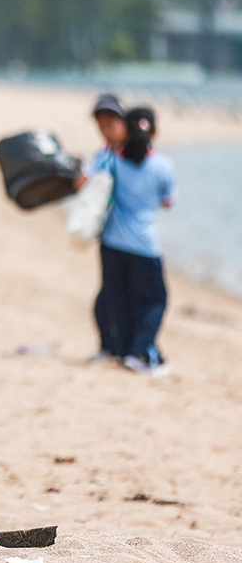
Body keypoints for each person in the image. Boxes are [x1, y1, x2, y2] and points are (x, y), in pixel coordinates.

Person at [94, 107, 176, 377]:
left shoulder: (112, 160)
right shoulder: (163, 165)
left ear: (126, 131)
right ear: (156, 131)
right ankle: (139, 352)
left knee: (118, 299)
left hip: (112, 242)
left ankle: (124, 350)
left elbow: (91, 183)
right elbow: (168, 202)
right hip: (144, 244)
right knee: (155, 301)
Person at [78, 95, 130, 363]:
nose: (106, 130)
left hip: (132, 241)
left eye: (111, 123)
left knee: (121, 298)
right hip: (109, 237)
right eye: (101, 125)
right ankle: (112, 349)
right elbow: (85, 182)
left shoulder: (134, 154)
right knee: (107, 300)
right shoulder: (103, 154)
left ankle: (124, 350)